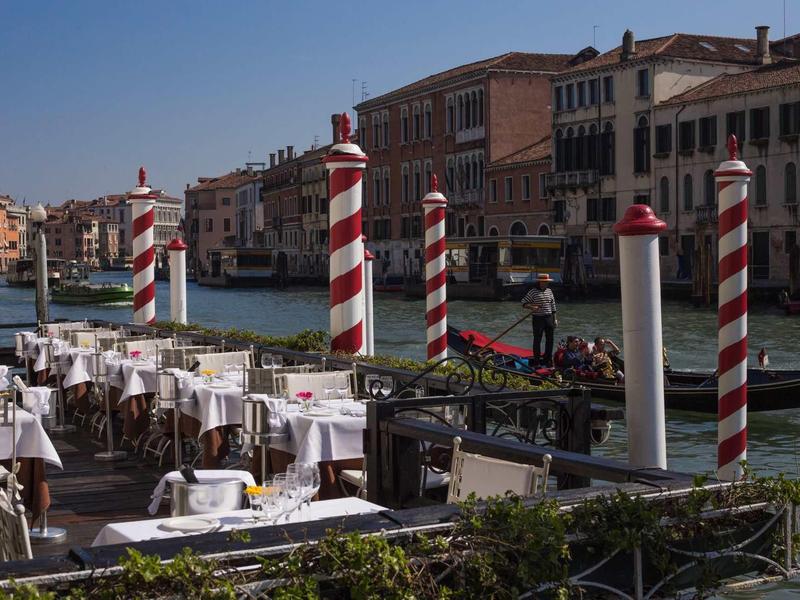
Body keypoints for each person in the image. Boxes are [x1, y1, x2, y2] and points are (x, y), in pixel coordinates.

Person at [521, 273, 558, 366]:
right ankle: (537, 361)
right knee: (537, 340)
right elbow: (523, 303)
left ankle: (547, 359)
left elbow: (553, 307)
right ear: (540, 282)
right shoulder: (533, 292)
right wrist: (532, 307)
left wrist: (555, 319)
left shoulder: (549, 291)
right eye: (544, 282)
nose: (546, 283)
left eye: (547, 282)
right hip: (538, 319)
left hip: (549, 318)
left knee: (550, 339)